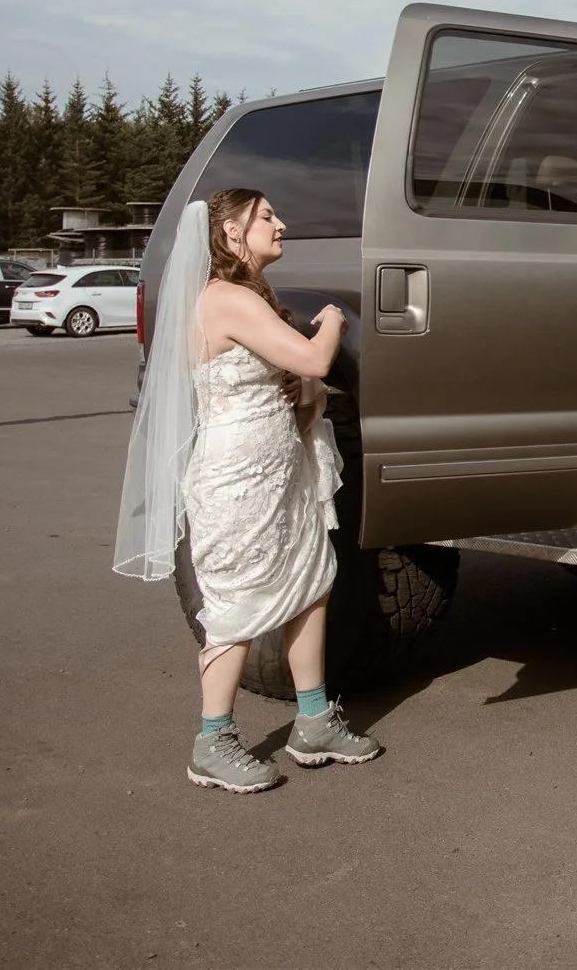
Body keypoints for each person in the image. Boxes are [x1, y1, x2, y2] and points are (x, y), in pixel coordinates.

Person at [113, 187, 380, 793]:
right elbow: (313, 360)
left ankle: (313, 721)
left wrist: (304, 399)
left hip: (281, 470)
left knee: (310, 582)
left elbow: (299, 390)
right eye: (266, 217)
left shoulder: (253, 298)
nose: (281, 224)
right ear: (231, 232)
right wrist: (337, 318)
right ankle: (213, 741)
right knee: (235, 603)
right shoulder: (226, 298)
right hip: (236, 477)